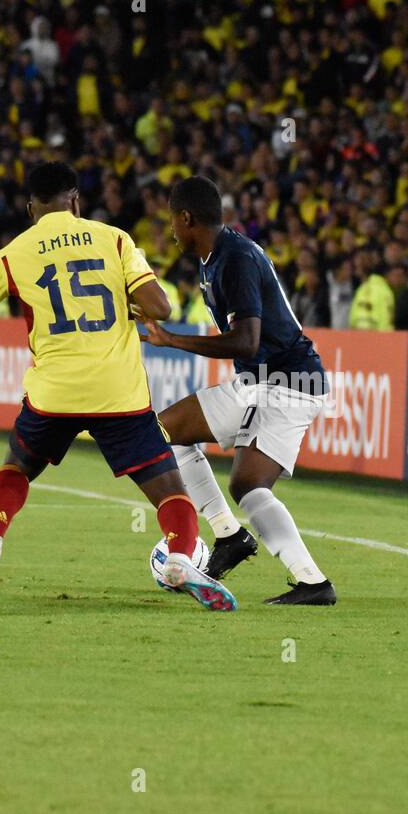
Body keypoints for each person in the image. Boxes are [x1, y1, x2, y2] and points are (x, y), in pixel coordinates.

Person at [0, 162, 236, 612]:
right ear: (75, 200)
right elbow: (160, 304)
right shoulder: (114, 238)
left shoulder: (9, 255)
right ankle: (180, 557)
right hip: (118, 393)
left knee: (17, 466)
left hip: (52, 394)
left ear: (30, 208)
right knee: (170, 489)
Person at [138, 176, 337, 606]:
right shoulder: (215, 257)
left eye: (173, 221)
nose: (171, 231)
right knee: (162, 433)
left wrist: (172, 340)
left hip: (290, 382)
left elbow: (246, 341)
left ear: (187, 218)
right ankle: (229, 535)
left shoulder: (237, 258)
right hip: (258, 382)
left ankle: (314, 583)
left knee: (248, 484)